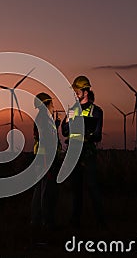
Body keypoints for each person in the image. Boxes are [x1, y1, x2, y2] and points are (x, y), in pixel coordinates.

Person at [61, 75, 105, 229]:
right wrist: (67, 121)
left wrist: (86, 132)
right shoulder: (71, 111)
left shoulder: (96, 111)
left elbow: (98, 134)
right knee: (76, 188)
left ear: (85, 91)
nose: (75, 94)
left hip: (88, 153)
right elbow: (65, 132)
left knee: (93, 187)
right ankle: (75, 221)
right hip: (74, 153)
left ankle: (101, 222)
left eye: (77, 91)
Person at [31, 92, 62, 230]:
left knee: (39, 191)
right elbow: (46, 141)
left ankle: (36, 220)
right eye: (52, 104)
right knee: (46, 192)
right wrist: (47, 165)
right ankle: (46, 222)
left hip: (40, 160)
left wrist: (55, 124)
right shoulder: (44, 119)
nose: (53, 107)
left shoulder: (41, 118)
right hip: (45, 161)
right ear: (46, 104)